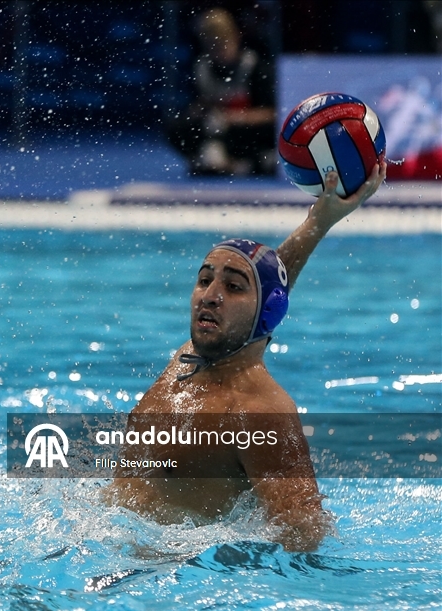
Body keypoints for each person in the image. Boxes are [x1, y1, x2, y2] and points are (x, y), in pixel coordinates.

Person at [104, 160, 387, 552]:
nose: (210, 295)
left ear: (265, 312)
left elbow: (304, 540)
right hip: (106, 547)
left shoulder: (260, 412)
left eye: (232, 287)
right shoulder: (190, 359)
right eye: (205, 280)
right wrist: (317, 223)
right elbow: (271, 282)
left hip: (161, 583)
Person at [167, 8, 278, 176]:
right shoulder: (202, 67)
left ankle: (246, 162)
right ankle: (219, 161)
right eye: (212, 46)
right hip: (216, 130)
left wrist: (236, 117)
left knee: (271, 132)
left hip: (245, 131)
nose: (218, 52)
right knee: (177, 127)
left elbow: (274, 113)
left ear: (236, 38)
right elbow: (198, 106)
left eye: (223, 45)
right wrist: (199, 111)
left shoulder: (255, 66)